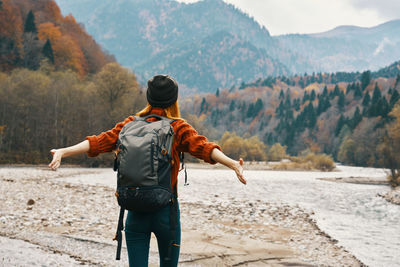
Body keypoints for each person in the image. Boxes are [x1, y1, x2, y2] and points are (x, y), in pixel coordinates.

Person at [49, 74, 247, 266]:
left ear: (149, 97)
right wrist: (232, 164)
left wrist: (63, 152)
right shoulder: (178, 127)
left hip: (134, 210)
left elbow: (99, 142)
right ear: (174, 99)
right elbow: (204, 148)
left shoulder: (129, 124)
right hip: (166, 213)